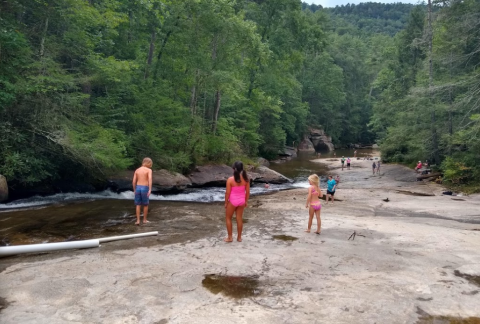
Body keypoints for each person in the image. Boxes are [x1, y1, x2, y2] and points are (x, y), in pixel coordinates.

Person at [224, 161, 250, 243]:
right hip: (241, 201)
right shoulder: (246, 179)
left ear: (233, 169)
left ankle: (230, 237)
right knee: (239, 219)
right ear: (242, 169)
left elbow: (227, 193)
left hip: (232, 201)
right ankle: (239, 238)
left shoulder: (230, 180)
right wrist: (246, 201)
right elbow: (248, 192)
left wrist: (226, 202)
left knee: (228, 218)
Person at [132, 157, 153, 225]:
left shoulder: (137, 170)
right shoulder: (149, 170)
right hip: (145, 188)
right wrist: (150, 189)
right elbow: (149, 179)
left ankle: (138, 221)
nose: (151, 165)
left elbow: (134, 181)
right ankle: (144, 220)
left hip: (138, 187)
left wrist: (134, 189)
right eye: (150, 164)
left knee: (138, 205)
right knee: (145, 205)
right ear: (148, 163)